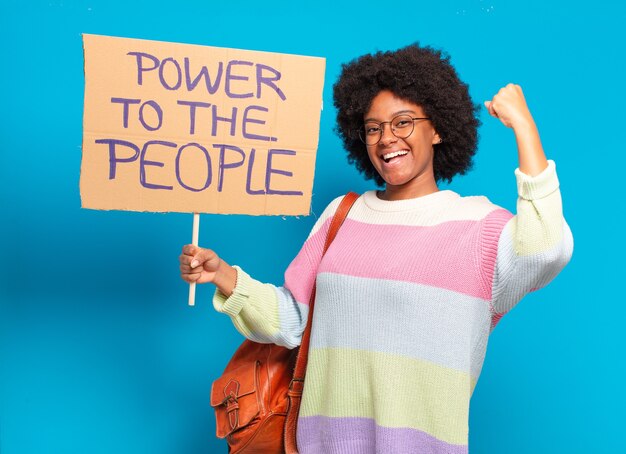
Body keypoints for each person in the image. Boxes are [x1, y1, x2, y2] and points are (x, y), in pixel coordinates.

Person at [179, 44, 573, 453]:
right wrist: (222, 274)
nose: (387, 139)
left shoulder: (477, 226)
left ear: (437, 129)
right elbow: (293, 319)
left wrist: (524, 128)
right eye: (373, 128)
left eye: (403, 123)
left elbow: (545, 248)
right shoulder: (342, 215)